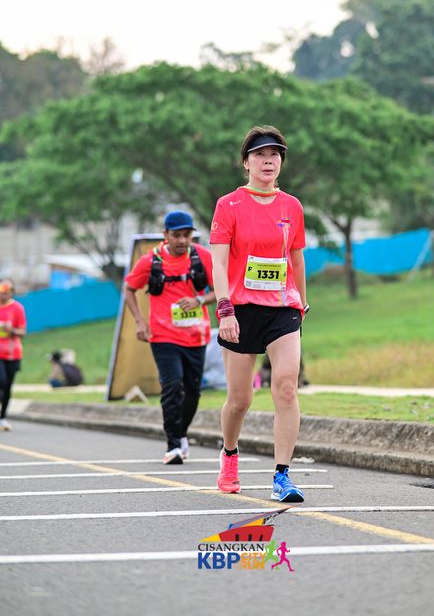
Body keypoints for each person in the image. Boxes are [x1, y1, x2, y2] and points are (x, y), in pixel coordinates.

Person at [210, 125, 308, 503]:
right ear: (246, 163)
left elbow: (296, 258)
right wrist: (225, 310)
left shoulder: (292, 206)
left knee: (285, 386)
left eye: (275, 155)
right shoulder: (229, 205)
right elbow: (219, 263)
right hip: (240, 310)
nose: (268, 161)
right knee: (240, 400)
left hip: (283, 308)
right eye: (260, 155)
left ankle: (282, 475)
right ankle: (229, 454)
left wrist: (302, 302)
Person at [124, 211, 216, 464]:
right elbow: (129, 289)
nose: (182, 240)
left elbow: (221, 290)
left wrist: (199, 299)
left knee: (193, 391)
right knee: (172, 386)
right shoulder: (150, 261)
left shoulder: (202, 257)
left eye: (187, 235)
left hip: (196, 335)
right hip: (163, 335)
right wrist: (140, 322)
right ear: (165, 235)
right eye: (176, 235)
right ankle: (173, 445)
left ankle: (181, 433)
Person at [0, 279, 27, 431]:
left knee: (8, 385)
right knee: (1, 381)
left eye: (7, 292)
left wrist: (11, 330)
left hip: (12, 353)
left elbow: (22, 332)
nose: (4, 295)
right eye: (1, 292)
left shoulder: (17, 308)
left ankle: (2, 417)